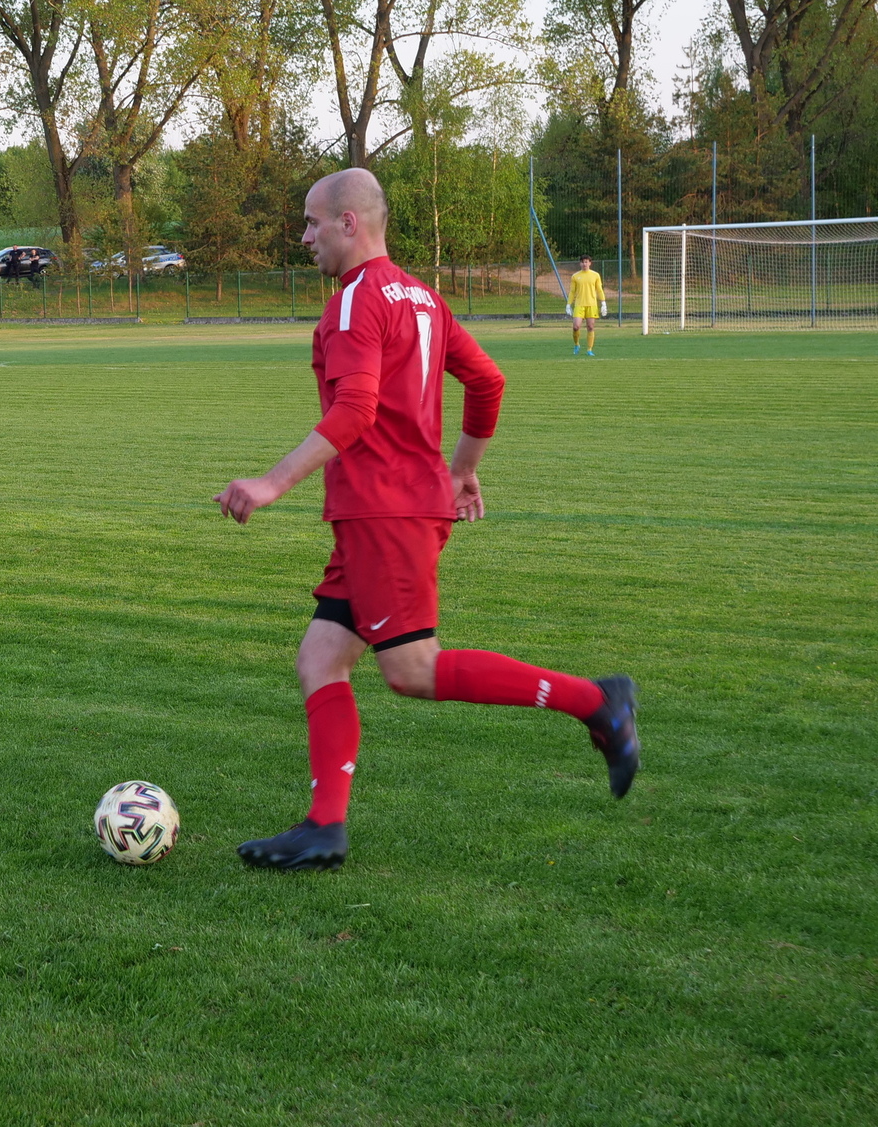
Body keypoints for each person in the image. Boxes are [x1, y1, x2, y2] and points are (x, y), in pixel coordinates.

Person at [214, 168, 641, 872]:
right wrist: (462, 469)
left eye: (311, 222)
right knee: (321, 658)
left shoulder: (355, 301)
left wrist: (271, 482)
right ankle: (324, 827)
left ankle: (597, 701)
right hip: (390, 507)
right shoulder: (422, 297)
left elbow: (355, 410)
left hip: (385, 510)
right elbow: (487, 381)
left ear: (349, 222)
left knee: (413, 669)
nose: (304, 236)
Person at [567, 254, 608, 356]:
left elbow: (599, 290)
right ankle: (577, 344)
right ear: (580, 263)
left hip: (591, 305)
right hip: (579, 305)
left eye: (586, 262)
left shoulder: (595, 275)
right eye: (582, 262)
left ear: (590, 263)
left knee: (590, 327)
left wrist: (603, 303)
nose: (584, 264)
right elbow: (572, 291)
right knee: (576, 327)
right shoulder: (575, 276)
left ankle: (589, 350)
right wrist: (568, 304)